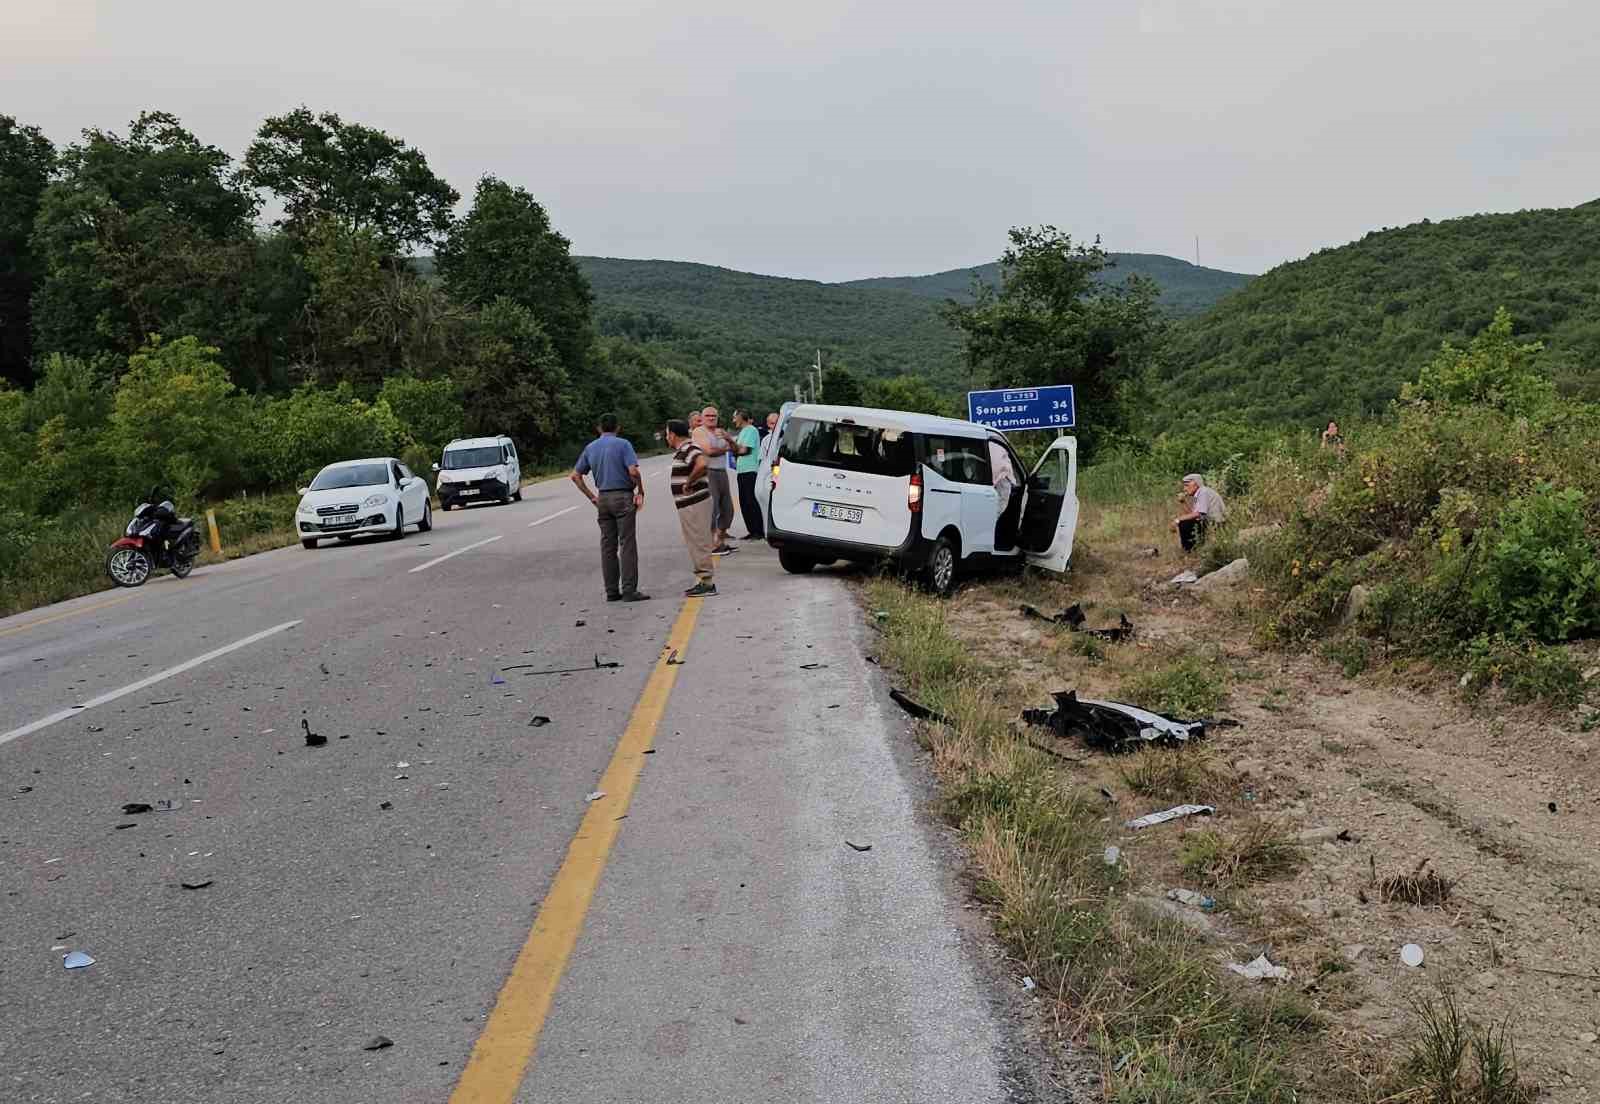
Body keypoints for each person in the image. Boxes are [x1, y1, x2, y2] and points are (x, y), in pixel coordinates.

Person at [570, 414, 649, 602]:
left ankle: (611, 590)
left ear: (599, 428)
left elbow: (575, 476)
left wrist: (592, 497)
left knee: (608, 546)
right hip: (623, 496)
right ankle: (629, 590)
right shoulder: (623, 444)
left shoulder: (590, 448)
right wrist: (641, 490)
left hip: (603, 498)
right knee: (627, 544)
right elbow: (633, 470)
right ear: (618, 428)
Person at [666, 419, 716, 597]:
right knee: (695, 541)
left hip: (694, 503)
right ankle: (704, 579)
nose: (666, 438)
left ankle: (707, 582)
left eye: (667, 434)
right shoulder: (684, 449)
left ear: (672, 434)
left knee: (699, 541)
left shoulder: (689, 448)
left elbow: (702, 463)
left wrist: (689, 482)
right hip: (689, 504)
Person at [694, 405, 736, 555]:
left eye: (714, 416)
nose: (711, 418)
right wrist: (726, 449)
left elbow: (736, 449)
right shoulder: (699, 432)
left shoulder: (721, 432)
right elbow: (709, 451)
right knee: (713, 509)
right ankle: (711, 544)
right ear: (702, 418)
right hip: (708, 472)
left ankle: (719, 540)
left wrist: (728, 439)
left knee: (728, 509)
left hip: (722, 472)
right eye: (708, 416)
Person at [729, 410, 765, 540]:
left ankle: (758, 531)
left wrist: (733, 446)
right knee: (744, 502)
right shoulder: (742, 432)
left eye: (734, 417)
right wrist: (734, 448)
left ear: (740, 417)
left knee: (751, 501)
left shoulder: (750, 429)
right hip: (742, 470)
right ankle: (751, 530)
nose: (733, 420)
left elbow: (744, 450)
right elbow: (736, 450)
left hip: (750, 470)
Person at [1171, 473, 1226, 552]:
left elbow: (1199, 513)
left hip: (1215, 523)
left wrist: (1177, 520)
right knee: (1186, 522)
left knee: (1184, 524)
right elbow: (1193, 514)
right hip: (1208, 522)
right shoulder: (1199, 494)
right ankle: (1192, 549)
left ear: (1195, 484)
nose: (1184, 489)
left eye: (1186, 485)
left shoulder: (1203, 492)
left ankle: (1189, 550)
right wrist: (1183, 502)